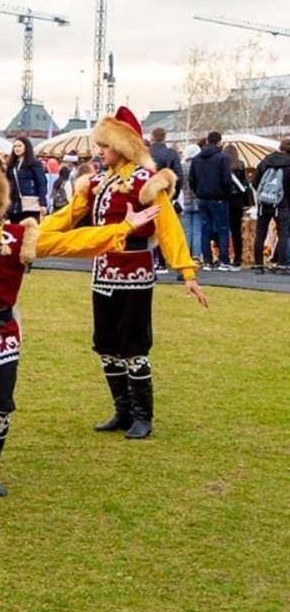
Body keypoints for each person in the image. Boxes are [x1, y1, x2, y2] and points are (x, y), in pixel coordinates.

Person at [0, 159, 158, 496]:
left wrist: (122, 229)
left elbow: (72, 242)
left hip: (3, 331)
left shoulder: (18, 239)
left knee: (1, 403)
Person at [54, 108, 207, 440]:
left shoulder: (145, 182)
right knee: (106, 344)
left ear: (122, 147)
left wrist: (187, 272)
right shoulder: (95, 182)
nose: (99, 152)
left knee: (134, 345)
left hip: (135, 272)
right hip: (102, 270)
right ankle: (122, 410)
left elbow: (168, 227)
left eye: (105, 146)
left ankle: (143, 415)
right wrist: (33, 235)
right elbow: (67, 216)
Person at [188, 130, 233, 270]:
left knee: (205, 229)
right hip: (219, 197)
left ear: (207, 141)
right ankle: (223, 260)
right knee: (222, 229)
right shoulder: (223, 158)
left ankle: (207, 261)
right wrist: (226, 194)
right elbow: (226, 180)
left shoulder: (196, 159)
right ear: (219, 142)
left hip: (202, 197)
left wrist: (198, 192)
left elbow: (192, 180)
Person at [253, 139, 290, 272]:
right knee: (283, 234)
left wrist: (264, 195)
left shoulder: (265, 162)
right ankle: (282, 265)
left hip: (264, 203)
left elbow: (255, 182)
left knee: (260, 233)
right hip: (283, 204)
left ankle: (258, 264)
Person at [5, 137, 49, 223]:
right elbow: (7, 182)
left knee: (29, 229)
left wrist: (43, 203)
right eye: (15, 146)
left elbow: (41, 182)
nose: (16, 148)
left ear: (26, 147)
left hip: (30, 202)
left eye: (19, 146)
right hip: (14, 203)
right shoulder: (12, 164)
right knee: (15, 228)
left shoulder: (34, 163)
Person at [227, 153, 252, 271]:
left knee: (223, 230)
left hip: (225, 199)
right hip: (238, 200)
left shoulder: (222, 164)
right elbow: (246, 185)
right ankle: (238, 256)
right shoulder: (240, 165)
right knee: (236, 230)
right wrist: (247, 202)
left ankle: (224, 256)